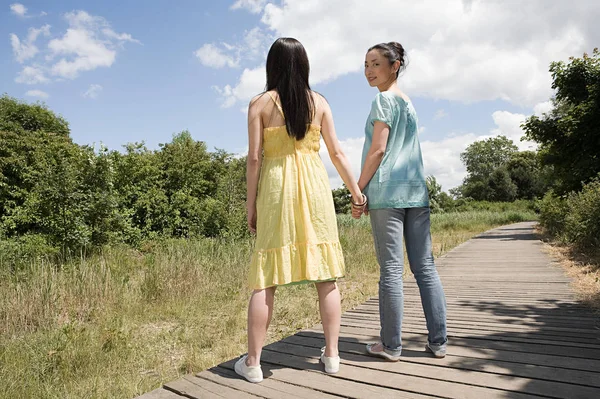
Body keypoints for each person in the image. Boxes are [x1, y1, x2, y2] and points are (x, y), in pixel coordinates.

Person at [235, 37, 364, 383]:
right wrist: (356, 192)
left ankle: (253, 363)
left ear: (272, 65)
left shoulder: (259, 104)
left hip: (276, 190)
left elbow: (253, 159)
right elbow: (337, 153)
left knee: (265, 279)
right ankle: (332, 356)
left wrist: (250, 204)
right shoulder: (319, 102)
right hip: (315, 190)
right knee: (326, 277)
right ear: (304, 64)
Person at [352, 41, 447, 361]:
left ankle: (391, 345)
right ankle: (439, 341)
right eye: (365, 64)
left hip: (387, 194)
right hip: (417, 193)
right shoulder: (409, 103)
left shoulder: (383, 101)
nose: (368, 71)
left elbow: (378, 150)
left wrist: (358, 189)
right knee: (425, 268)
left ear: (395, 66)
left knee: (391, 271)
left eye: (376, 64)